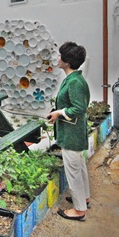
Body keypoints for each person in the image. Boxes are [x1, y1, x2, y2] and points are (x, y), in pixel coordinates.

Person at [46, 42, 91, 222]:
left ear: (68, 61)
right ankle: (84, 198)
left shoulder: (74, 82)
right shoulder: (74, 79)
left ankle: (79, 210)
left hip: (72, 133)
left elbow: (78, 108)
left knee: (73, 172)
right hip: (74, 131)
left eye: (60, 56)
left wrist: (59, 113)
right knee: (79, 167)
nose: (57, 58)